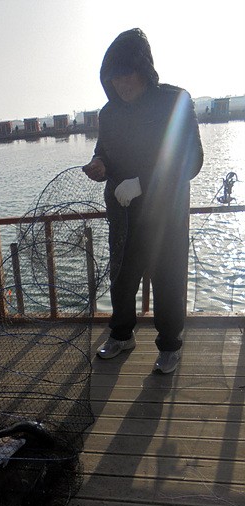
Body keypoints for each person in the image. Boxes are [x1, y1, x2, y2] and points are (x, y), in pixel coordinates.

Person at [83, 29, 203, 374]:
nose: (121, 83)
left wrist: (143, 184)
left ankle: (170, 346)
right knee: (121, 278)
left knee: (168, 279)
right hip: (123, 214)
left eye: (127, 74)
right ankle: (121, 335)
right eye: (114, 77)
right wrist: (99, 165)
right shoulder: (108, 113)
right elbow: (104, 151)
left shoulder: (176, 101)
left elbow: (192, 160)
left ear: (145, 69)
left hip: (166, 215)